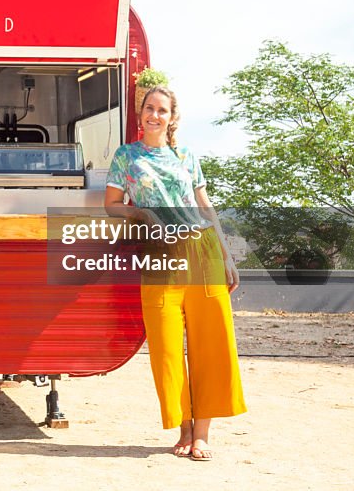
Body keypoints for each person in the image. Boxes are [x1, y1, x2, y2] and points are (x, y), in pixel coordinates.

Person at [104, 86, 245, 461]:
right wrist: (144, 214)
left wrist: (227, 255)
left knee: (211, 344)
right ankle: (183, 427)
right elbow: (112, 206)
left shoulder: (186, 155)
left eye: (162, 110)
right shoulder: (126, 156)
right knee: (167, 348)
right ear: (141, 114)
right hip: (159, 255)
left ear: (172, 117)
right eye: (149, 108)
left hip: (202, 252)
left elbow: (205, 205)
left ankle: (202, 434)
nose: (155, 115)